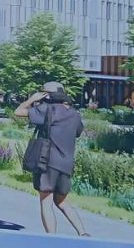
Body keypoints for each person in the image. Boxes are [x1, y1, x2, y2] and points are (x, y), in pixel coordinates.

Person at [15, 82, 89, 236]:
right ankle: (82, 232)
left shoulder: (47, 109)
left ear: (47, 95)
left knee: (46, 201)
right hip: (67, 163)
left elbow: (18, 112)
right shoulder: (75, 114)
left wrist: (31, 100)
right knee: (61, 201)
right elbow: (78, 131)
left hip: (48, 161)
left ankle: (52, 238)